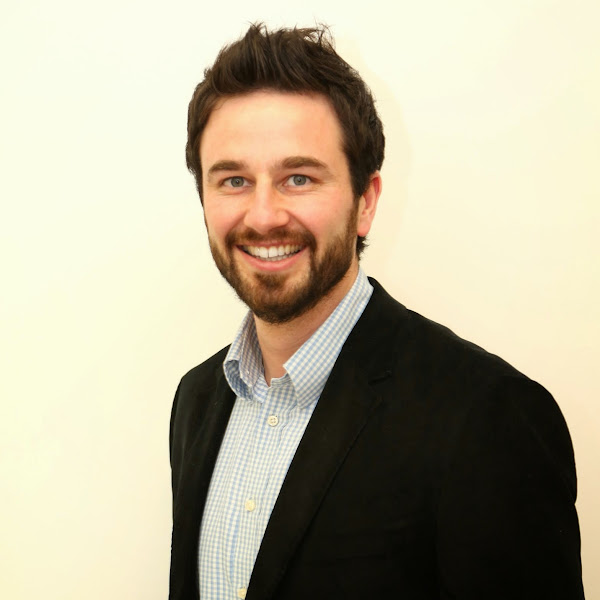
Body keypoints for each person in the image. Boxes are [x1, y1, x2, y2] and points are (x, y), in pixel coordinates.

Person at [169, 24, 584, 600]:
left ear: (365, 201)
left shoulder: (488, 418)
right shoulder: (195, 401)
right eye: (234, 180)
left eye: (298, 178)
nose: (263, 215)